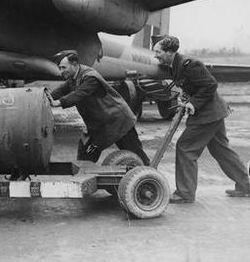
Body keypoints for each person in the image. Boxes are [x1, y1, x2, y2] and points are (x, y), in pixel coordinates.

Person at [153, 35, 250, 203]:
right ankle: (245, 186)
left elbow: (210, 84)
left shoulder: (189, 64)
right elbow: (193, 85)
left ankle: (185, 193)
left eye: (158, 52)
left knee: (185, 148)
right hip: (214, 113)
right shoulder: (174, 65)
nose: (156, 55)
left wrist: (194, 103)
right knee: (221, 150)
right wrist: (185, 96)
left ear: (170, 52)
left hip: (208, 114)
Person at [49, 50, 150, 165]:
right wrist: (46, 96)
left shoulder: (90, 77)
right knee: (86, 152)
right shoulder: (73, 77)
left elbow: (80, 94)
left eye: (63, 67)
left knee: (136, 155)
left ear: (75, 64)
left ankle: (150, 178)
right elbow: (61, 90)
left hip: (118, 122)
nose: (61, 71)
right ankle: (83, 175)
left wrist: (59, 102)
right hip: (99, 127)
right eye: (60, 68)